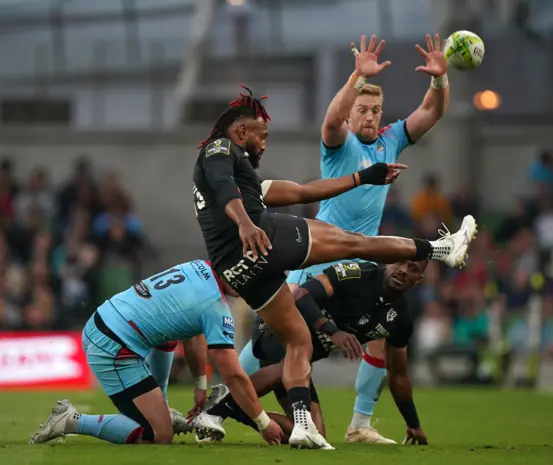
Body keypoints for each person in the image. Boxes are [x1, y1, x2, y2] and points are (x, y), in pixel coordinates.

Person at [193, 77, 474, 448]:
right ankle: (439, 250)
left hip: (242, 267)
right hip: (260, 238)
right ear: (242, 129)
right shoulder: (219, 150)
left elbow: (303, 191)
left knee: (298, 342)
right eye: (262, 135)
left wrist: (362, 178)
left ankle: (294, 423)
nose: (265, 142)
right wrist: (245, 223)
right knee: (353, 244)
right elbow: (225, 189)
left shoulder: (246, 177)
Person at [238, 33, 452, 444]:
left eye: (375, 109)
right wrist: (357, 77)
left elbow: (430, 112)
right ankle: (229, 391)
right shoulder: (340, 145)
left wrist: (440, 80)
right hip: (317, 259)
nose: (370, 115)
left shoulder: (390, 140)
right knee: (278, 340)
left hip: (364, 262)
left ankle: (360, 423)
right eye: (363, 109)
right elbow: (331, 121)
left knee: (382, 330)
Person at [29, 260, 284, 446]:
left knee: (168, 338)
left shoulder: (199, 267)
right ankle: (72, 420)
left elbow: (189, 333)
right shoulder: (215, 308)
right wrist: (262, 422)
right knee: (160, 435)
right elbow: (234, 375)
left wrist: (200, 386)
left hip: (107, 322)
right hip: (113, 346)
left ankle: (160, 408)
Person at [196, 259, 430, 446]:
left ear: (419, 279)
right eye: (399, 262)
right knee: (294, 360)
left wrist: (414, 424)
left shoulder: (400, 319)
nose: (402, 270)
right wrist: (332, 331)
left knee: (315, 435)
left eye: (412, 269)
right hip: (277, 325)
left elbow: (398, 375)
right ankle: (225, 404)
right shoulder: (359, 273)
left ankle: (234, 407)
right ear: (389, 261)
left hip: (301, 359)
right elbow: (301, 295)